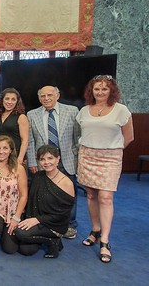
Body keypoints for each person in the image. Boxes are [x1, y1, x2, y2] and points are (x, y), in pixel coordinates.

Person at [76, 75, 134, 263]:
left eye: (104, 89)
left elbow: (129, 137)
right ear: (91, 91)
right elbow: (82, 133)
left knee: (106, 197)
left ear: (111, 91)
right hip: (87, 155)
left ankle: (105, 241)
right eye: (97, 89)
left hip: (110, 158)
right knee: (91, 195)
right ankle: (95, 230)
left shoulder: (121, 110)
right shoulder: (84, 111)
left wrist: (111, 151)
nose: (100, 92)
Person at [26, 85, 81, 239]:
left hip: (66, 162)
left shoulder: (72, 111)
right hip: (43, 162)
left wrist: (75, 156)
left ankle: (69, 225)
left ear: (57, 95)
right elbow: (31, 141)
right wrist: (32, 162)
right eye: (43, 96)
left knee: (69, 195)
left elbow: (78, 138)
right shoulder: (32, 114)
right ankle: (44, 222)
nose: (46, 98)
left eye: (50, 95)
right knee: (41, 194)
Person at [15, 145, 75, 259]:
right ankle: (48, 240)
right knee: (25, 250)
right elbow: (31, 200)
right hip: (36, 219)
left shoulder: (66, 183)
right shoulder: (38, 176)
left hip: (54, 225)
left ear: (58, 159)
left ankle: (53, 241)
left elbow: (63, 215)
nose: (46, 162)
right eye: (42, 159)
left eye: (50, 158)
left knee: (20, 233)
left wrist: (37, 220)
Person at [0, 88, 29, 166]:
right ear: (2, 100)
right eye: (7, 99)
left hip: (15, 156)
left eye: (13, 99)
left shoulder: (21, 117)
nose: (10, 102)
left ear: (17, 102)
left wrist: (20, 158)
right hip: (0, 155)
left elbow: (25, 140)